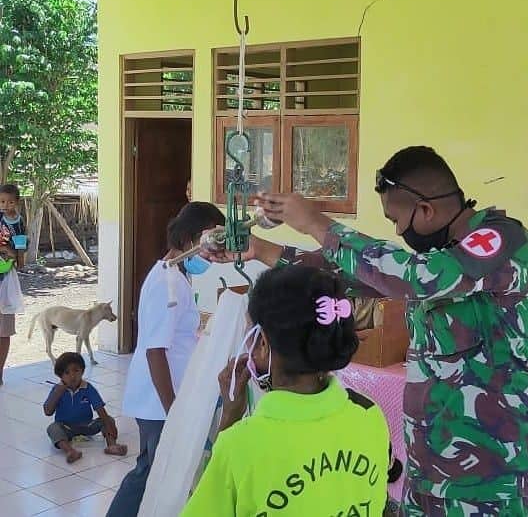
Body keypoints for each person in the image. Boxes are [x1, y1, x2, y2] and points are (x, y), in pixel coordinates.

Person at [202, 146, 528, 516]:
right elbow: (364, 276)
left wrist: (316, 223)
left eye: (395, 219)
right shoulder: (440, 260)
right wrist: (260, 249)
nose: (396, 231)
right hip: (432, 476)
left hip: (492, 483)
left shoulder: (501, 241)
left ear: (425, 209)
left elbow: (415, 278)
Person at [182, 265, 391, 516]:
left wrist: (229, 420)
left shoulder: (240, 443)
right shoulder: (369, 415)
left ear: (263, 344)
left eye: (250, 334)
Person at [107, 201, 225, 517]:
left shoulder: (173, 274)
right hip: (158, 400)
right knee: (152, 472)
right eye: (211, 242)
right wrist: (172, 409)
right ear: (190, 238)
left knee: (151, 467)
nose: (213, 254)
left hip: (161, 395)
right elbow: (155, 351)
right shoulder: (168, 283)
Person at [43, 352, 127, 463]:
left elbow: (100, 409)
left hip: (87, 425)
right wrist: (58, 393)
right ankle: (70, 451)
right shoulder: (57, 389)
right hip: (65, 427)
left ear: (82, 371)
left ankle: (112, 445)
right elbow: (48, 411)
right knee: (52, 428)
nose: (72, 376)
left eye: (76, 371)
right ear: (60, 375)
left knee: (108, 419)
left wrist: (109, 426)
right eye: (67, 373)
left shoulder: (88, 388)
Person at [0, 183, 26, 385]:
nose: (5, 205)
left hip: (6, 280)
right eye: (2, 201)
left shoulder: (19, 224)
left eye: (9, 202)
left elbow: (20, 255)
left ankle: (0, 372)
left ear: (17, 202)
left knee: (4, 330)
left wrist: (12, 254)